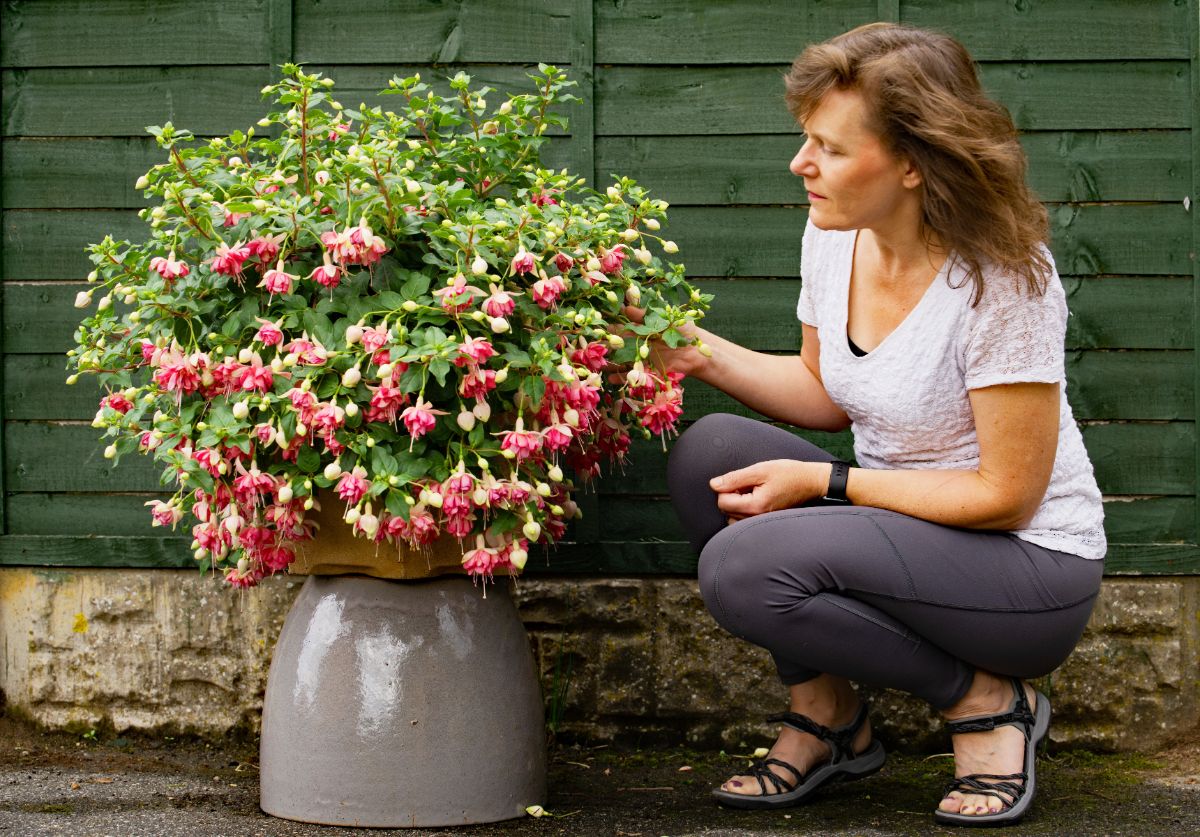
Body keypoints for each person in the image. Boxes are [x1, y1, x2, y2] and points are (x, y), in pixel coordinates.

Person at [646, 22, 1106, 827]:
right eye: (805, 140)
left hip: (1027, 567)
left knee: (742, 567)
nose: (801, 165)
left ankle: (988, 701)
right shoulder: (834, 236)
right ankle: (829, 718)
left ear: (910, 162)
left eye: (827, 146)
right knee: (709, 456)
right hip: (897, 529)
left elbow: (1007, 495)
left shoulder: (1003, 280)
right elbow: (828, 391)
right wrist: (697, 353)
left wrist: (827, 482)